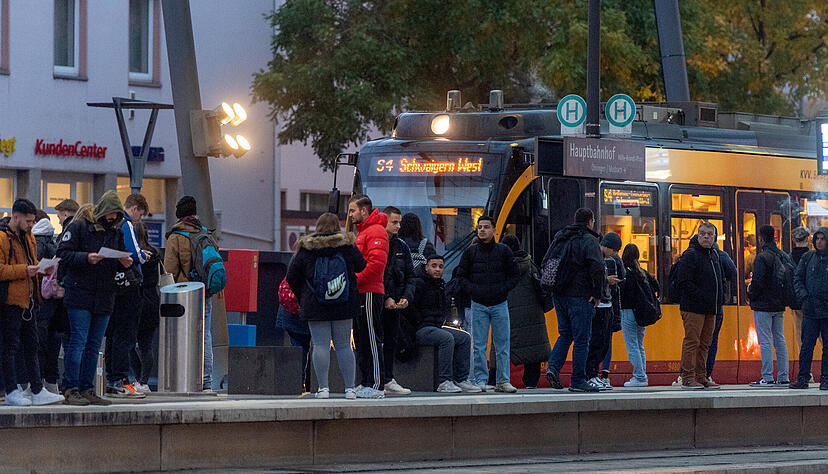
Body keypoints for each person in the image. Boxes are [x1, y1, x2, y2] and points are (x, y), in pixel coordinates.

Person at [58, 191, 131, 405]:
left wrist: (124, 261)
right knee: (78, 342)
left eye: (116, 215)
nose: (112, 218)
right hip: (80, 294)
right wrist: (86, 258)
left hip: (104, 297)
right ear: (103, 211)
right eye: (110, 214)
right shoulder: (79, 226)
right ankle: (71, 388)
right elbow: (63, 253)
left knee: (94, 345)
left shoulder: (115, 232)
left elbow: (119, 255)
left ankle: (86, 388)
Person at [286, 212, 366, 399]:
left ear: (318, 226)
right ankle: (350, 389)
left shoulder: (306, 248)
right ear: (337, 226)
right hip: (344, 305)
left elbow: (291, 277)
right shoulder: (347, 246)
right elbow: (361, 266)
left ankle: (323, 389)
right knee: (344, 346)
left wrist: (305, 295)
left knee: (320, 345)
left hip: (315, 306)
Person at [0, 199, 64, 406]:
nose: (31, 225)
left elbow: (32, 262)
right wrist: (24, 270)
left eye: (33, 221)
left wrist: (42, 268)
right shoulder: (2, 237)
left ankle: (37, 389)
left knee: (32, 345)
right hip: (10, 300)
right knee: (10, 347)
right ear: (15, 217)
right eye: (28, 221)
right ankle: (11, 390)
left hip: (29, 299)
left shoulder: (29, 237)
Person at [545, 208, 604, 393]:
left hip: (558, 294)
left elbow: (546, 260)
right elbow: (597, 268)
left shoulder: (561, 237)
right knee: (581, 340)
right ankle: (577, 380)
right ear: (590, 221)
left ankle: (553, 368)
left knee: (565, 334)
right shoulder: (589, 240)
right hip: (580, 296)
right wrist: (597, 293)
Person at [457, 216, 519, 393]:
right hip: (482, 303)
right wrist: (476, 290)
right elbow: (461, 277)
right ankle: (482, 380)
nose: (482, 230)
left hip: (496, 302)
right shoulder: (470, 253)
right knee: (479, 346)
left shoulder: (503, 251)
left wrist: (502, 289)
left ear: (494, 230)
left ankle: (501, 380)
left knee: (502, 345)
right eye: (479, 227)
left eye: (485, 227)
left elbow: (514, 275)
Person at [164, 196, 215, 391]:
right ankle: (207, 381)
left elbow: (169, 270)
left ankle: (183, 380)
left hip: (184, 294)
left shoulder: (176, 236)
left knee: (181, 336)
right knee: (205, 335)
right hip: (204, 292)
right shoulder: (206, 233)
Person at [410, 255, 481, 393]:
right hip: (421, 328)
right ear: (426, 267)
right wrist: (420, 321)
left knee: (464, 337)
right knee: (447, 338)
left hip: (436, 327)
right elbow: (411, 309)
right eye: (434, 266)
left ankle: (461, 379)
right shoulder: (418, 284)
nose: (437, 269)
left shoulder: (441, 285)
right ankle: (444, 381)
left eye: (441, 266)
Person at [488, 234, 549, 389]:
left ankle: (493, 380)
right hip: (531, 315)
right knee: (532, 347)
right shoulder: (530, 265)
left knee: (500, 347)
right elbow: (541, 289)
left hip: (506, 312)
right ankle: (531, 383)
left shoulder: (499, 267)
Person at [105, 193, 149, 398]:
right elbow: (134, 253)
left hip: (112, 286)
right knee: (126, 334)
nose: (139, 218)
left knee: (113, 334)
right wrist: (144, 255)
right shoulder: (126, 224)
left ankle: (112, 379)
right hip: (128, 287)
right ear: (135, 208)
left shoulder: (108, 225)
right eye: (140, 214)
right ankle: (123, 380)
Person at [348, 195, 390, 398]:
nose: (350, 215)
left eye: (353, 210)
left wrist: (353, 281)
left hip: (370, 291)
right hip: (362, 291)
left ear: (364, 211)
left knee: (371, 338)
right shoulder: (365, 232)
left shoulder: (375, 232)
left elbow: (375, 265)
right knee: (361, 338)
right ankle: (366, 381)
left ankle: (375, 384)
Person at [676, 222, 723, 390]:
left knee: (705, 344)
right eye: (702, 233)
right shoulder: (691, 254)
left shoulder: (714, 255)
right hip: (693, 308)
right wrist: (703, 297)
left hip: (711, 309)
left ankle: (701, 377)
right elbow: (683, 282)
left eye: (710, 234)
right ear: (697, 235)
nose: (706, 237)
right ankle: (688, 378)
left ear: (715, 237)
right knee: (692, 342)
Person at [746, 225, 790, 387]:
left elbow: (758, 282)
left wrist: (751, 293)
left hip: (763, 306)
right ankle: (784, 376)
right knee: (779, 339)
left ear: (761, 238)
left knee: (764, 341)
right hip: (779, 305)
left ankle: (767, 377)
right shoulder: (783, 255)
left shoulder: (762, 257)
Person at [381, 206, 415, 395]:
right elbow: (375, 274)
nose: (398, 226)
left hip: (396, 303)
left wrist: (406, 297)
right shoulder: (376, 241)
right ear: (384, 221)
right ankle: (375, 379)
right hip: (379, 301)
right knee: (375, 341)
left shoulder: (402, 246)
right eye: (394, 222)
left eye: (400, 222)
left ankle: (387, 378)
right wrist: (386, 297)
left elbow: (411, 275)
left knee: (392, 341)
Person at [585, 232, 625, 391]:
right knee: (595, 343)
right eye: (614, 251)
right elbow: (589, 279)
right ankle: (590, 375)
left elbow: (622, 277)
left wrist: (617, 261)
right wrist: (606, 280)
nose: (615, 254)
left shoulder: (612, 260)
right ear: (606, 246)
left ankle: (594, 374)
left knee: (603, 344)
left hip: (607, 306)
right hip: (596, 306)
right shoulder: (594, 258)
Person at [790, 227, 828, 390]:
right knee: (806, 346)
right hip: (810, 310)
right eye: (817, 238)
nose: (819, 242)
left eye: (822, 239)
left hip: (826, 311)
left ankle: (825, 378)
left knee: (827, 347)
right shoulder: (807, 258)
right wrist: (804, 297)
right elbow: (797, 278)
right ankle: (803, 378)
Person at [620, 243, 658, 387]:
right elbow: (656, 285)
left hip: (628, 312)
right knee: (639, 345)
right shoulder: (642, 272)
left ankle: (640, 376)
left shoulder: (625, 272)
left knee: (632, 346)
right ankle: (642, 375)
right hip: (641, 315)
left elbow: (622, 293)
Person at [32, 211, 62, 394]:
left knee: (38, 344)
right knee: (53, 344)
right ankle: (51, 382)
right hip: (55, 300)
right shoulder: (54, 242)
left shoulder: (36, 241)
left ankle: (38, 383)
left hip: (39, 300)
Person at [129, 221, 160, 393]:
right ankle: (144, 381)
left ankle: (137, 377)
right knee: (146, 345)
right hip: (152, 301)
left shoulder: (134, 255)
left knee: (129, 344)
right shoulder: (155, 253)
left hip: (136, 300)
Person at [705, 242, 736, 385]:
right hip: (718, 304)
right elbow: (733, 272)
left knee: (696, 340)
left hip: (703, 305)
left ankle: (694, 373)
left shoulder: (694, 254)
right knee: (712, 340)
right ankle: (706, 374)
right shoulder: (722, 255)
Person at [791, 227, 811, 348]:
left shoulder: (787, 258)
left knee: (800, 335)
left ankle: (804, 363)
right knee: (821, 334)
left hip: (796, 301)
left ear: (794, 240)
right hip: (814, 300)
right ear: (808, 239)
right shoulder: (814, 257)